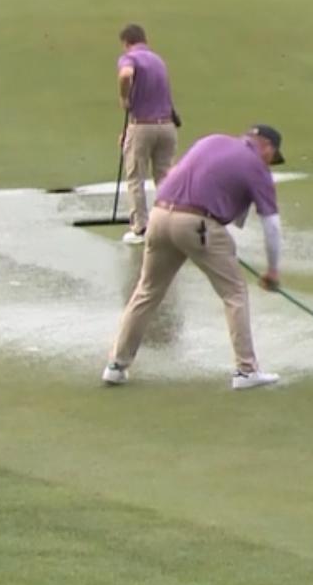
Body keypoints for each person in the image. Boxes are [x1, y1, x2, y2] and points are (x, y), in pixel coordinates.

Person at [103, 125, 289, 390]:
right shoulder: (257, 166)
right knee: (234, 292)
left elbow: (178, 176)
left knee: (147, 292)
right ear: (267, 147)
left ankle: (116, 365)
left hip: (159, 216)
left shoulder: (212, 141)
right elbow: (270, 223)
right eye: (273, 157)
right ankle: (246, 371)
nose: (271, 163)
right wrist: (272, 270)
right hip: (197, 224)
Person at [115, 24, 178, 244]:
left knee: (136, 177)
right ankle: (170, 225)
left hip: (143, 126)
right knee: (165, 178)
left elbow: (125, 75)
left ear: (126, 43)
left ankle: (140, 228)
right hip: (167, 127)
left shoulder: (131, 58)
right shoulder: (158, 60)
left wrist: (124, 97)